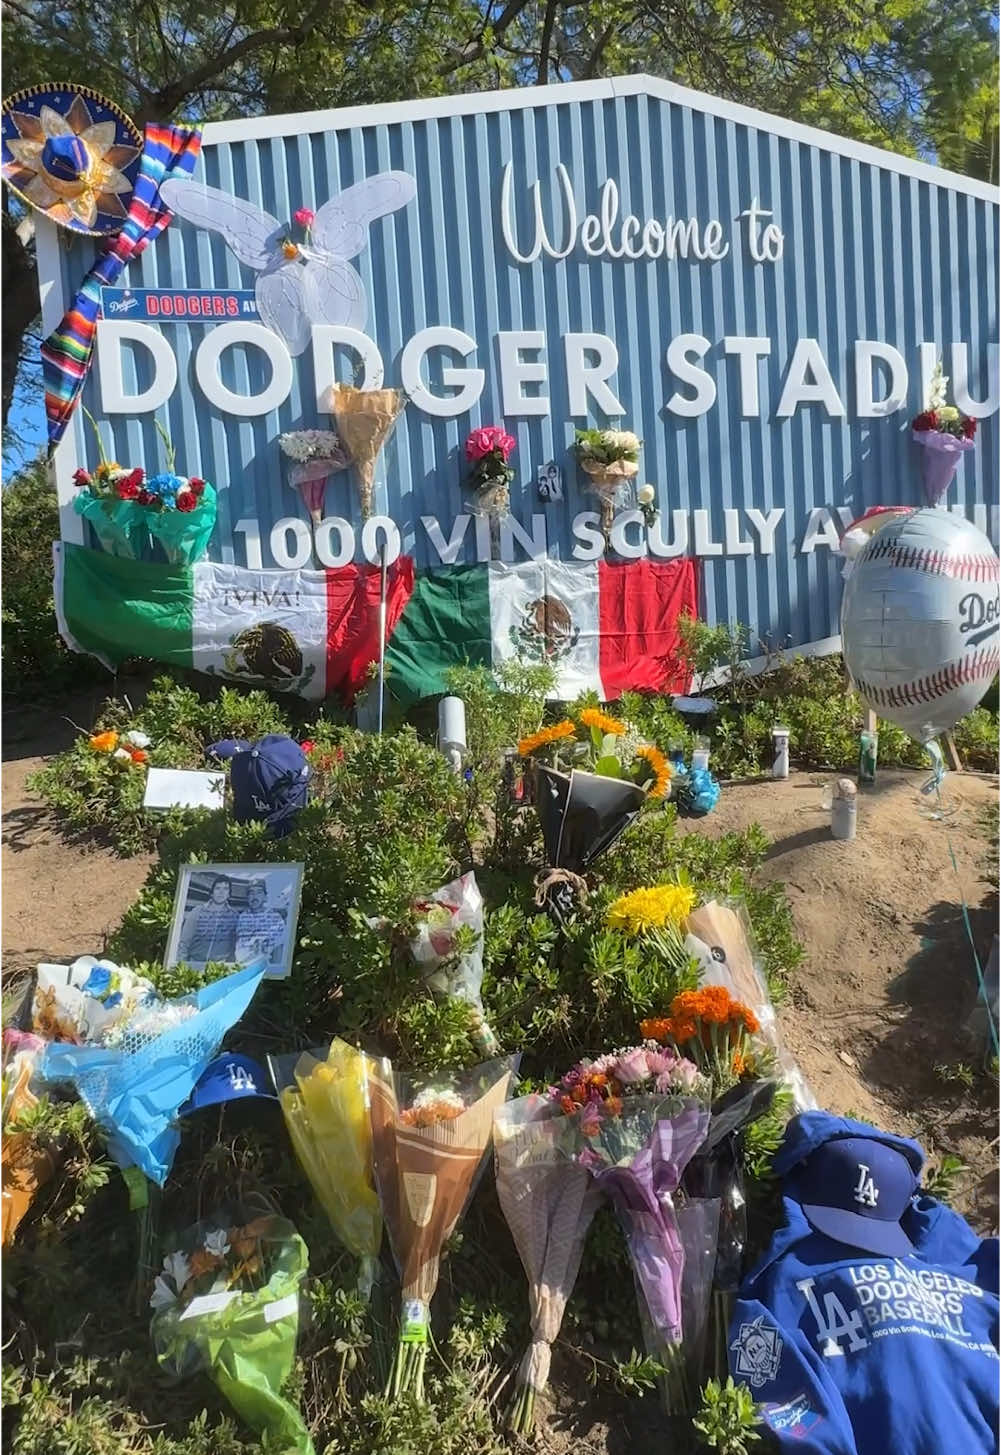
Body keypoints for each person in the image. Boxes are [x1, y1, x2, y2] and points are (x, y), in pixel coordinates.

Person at [176, 875, 239, 966]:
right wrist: (181, 965)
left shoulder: (234, 916)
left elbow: (234, 946)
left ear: (229, 894)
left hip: (219, 967)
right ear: (212, 893)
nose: (221, 892)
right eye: (218, 888)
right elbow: (184, 942)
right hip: (194, 963)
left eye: (225, 889)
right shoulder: (197, 911)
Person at [235, 880, 286, 971]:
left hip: (264, 969)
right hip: (243, 968)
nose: (254, 897)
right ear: (247, 897)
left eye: (259, 892)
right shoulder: (242, 917)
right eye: (251, 893)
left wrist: (275, 970)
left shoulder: (275, 917)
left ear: (265, 897)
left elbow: (278, 947)